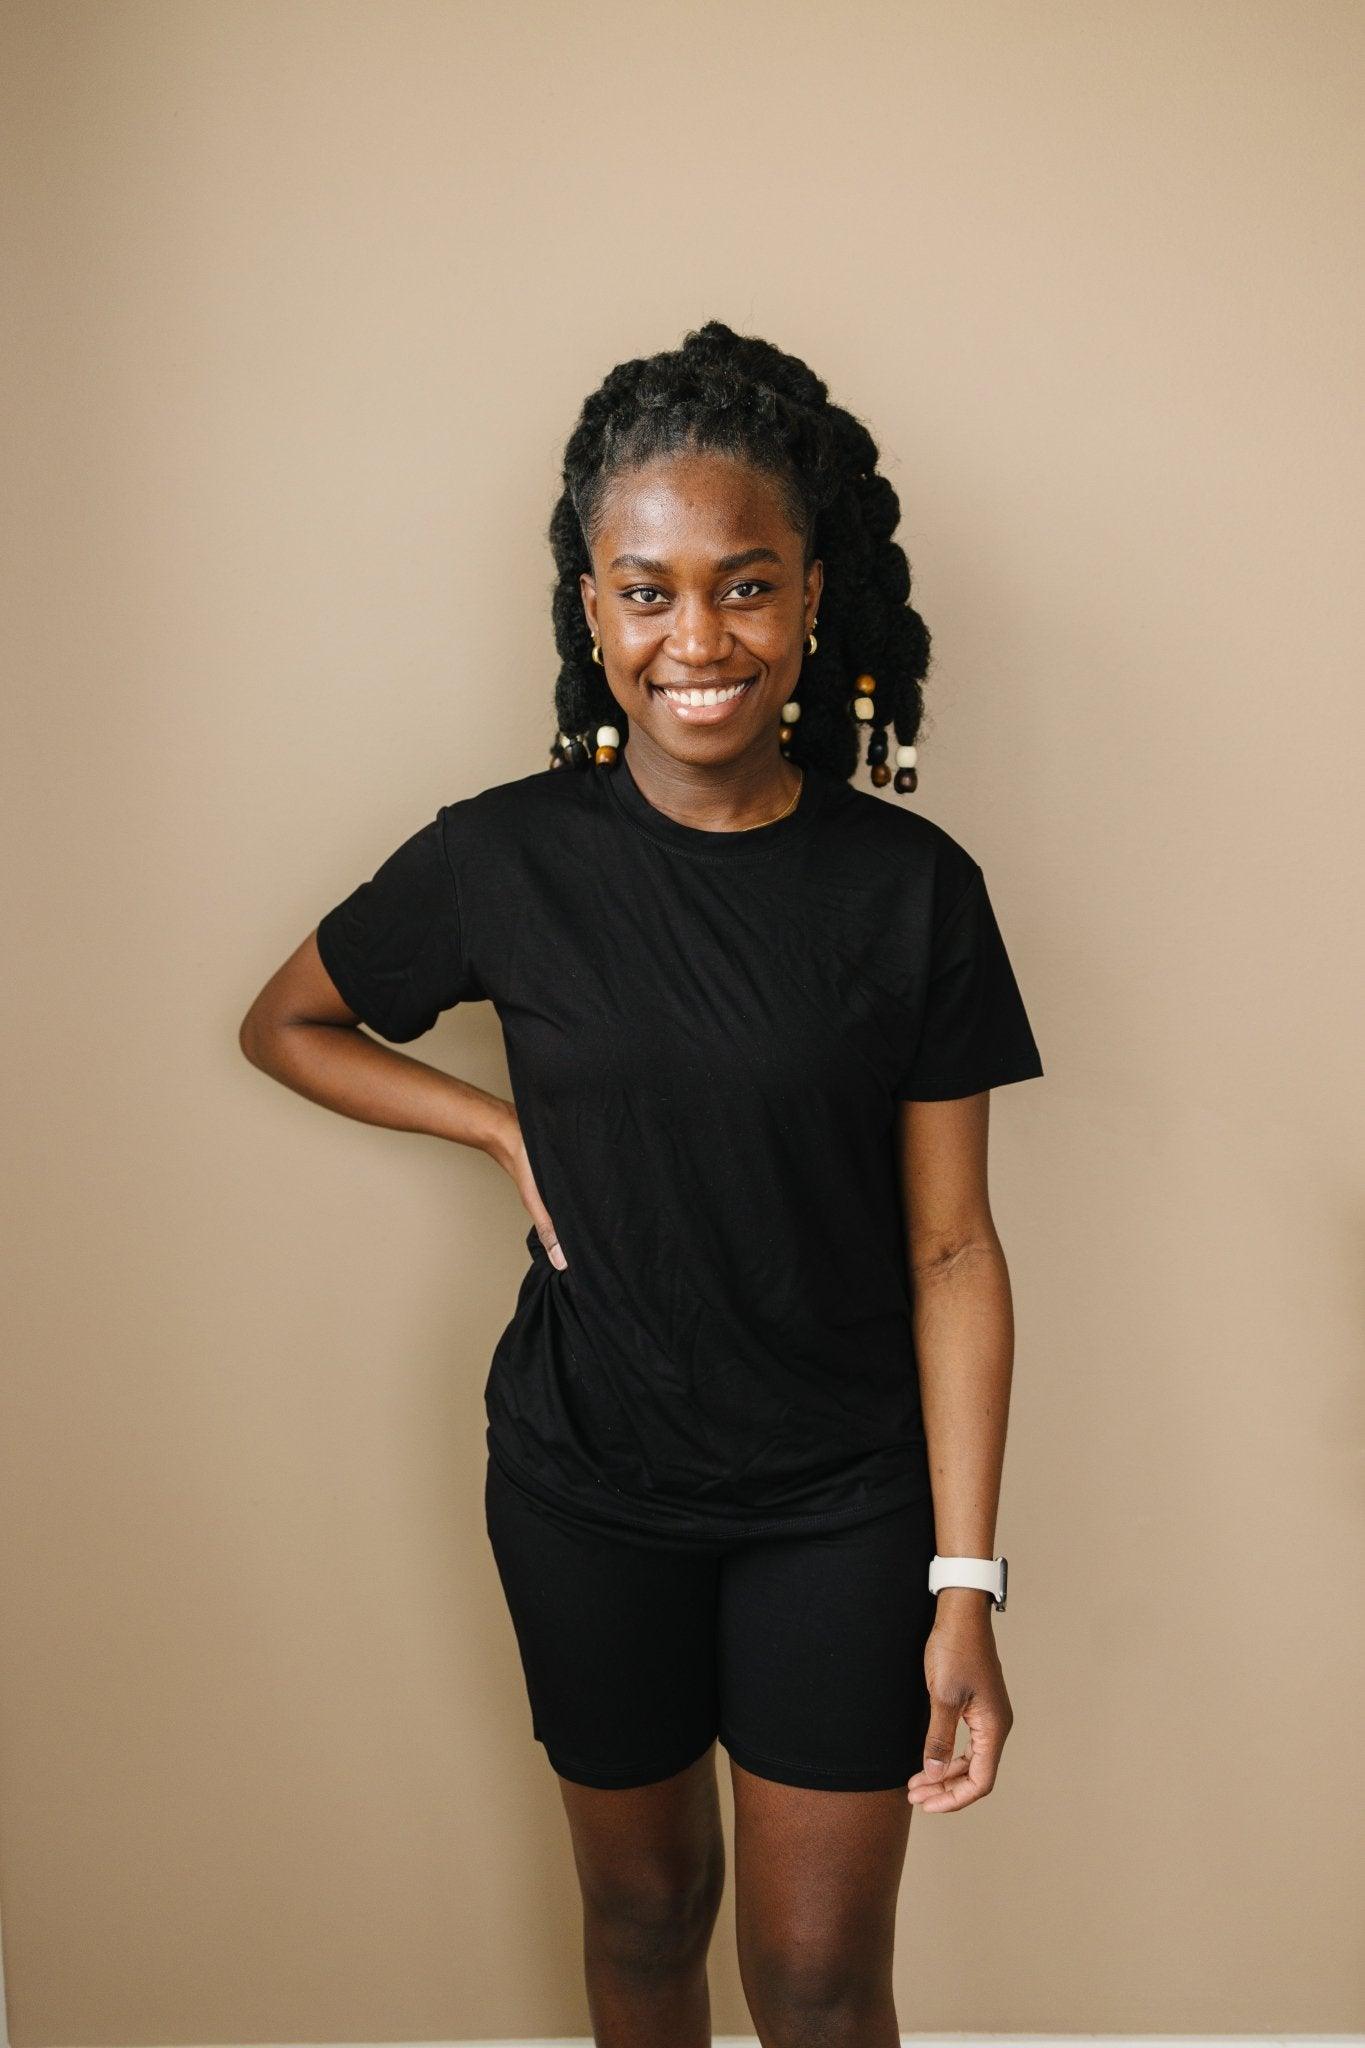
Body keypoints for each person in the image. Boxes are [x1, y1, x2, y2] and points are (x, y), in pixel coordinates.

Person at [240, 319, 1045, 2048]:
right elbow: (286, 1023)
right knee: (643, 1912)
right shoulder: (499, 859)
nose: (698, 639)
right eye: (647, 591)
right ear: (590, 610)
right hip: (584, 1486)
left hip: (841, 1500)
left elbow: (951, 1249)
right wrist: (494, 1128)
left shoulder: (911, 890)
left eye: (745, 586)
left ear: (812, 597)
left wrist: (963, 1581)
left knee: (817, 1981)